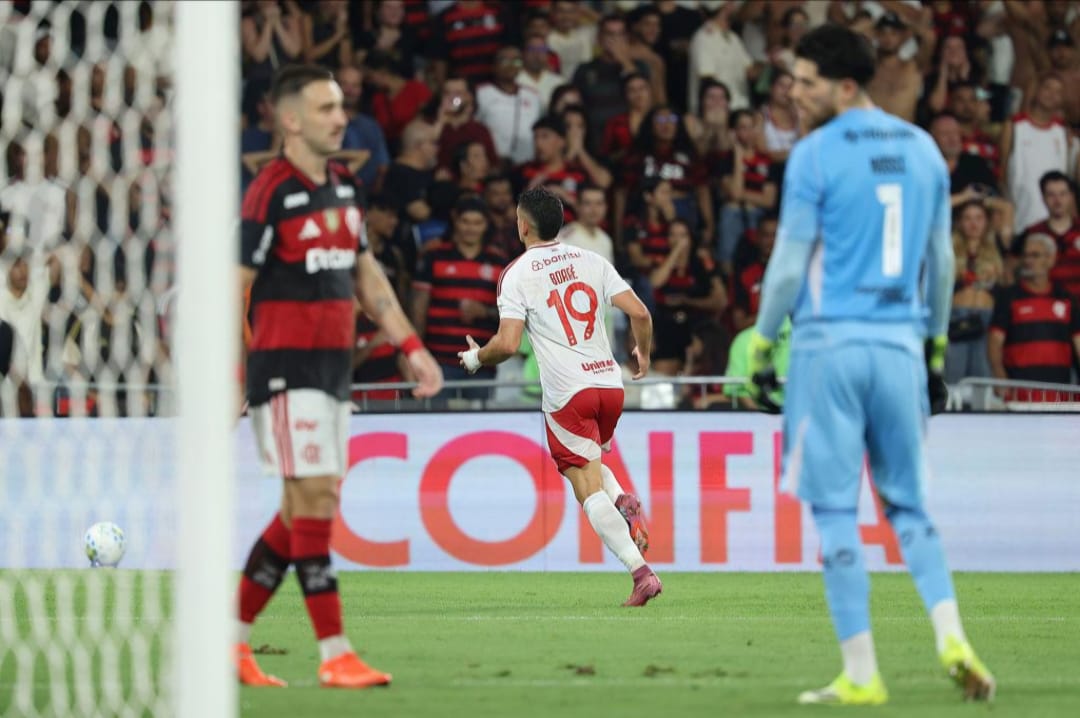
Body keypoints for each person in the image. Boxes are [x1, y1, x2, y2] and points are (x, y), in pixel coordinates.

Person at [746, 25, 995, 705]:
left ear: (845, 85)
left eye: (806, 81)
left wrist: (765, 344)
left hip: (830, 348)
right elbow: (941, 264)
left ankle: (862, 673)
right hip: (899, 350)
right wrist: (935, 348)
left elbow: (790, 262)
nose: (794, 92)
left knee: (834, 510)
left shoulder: (815, 154)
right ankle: (952, 636)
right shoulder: (922, 149)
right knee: (910, 508)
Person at [235, 64, 443, 689]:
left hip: (332, 374)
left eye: (340, 106)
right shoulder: (268, 191)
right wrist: (232, 375)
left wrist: (410, 342)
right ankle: (334, 653)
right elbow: (234, 291)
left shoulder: (346, 187)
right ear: (290, 119)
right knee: (318, 501)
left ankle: (230, 645)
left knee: (300, 512)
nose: (340, 117)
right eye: (326, 107)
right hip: (283, 371)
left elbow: (366, 275)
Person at [457, 187, 662, 607]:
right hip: (609, 386)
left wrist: (477, 357)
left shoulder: (517, 273)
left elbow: (508, 343)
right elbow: (640, 312)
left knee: (585, 489)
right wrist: (642, 350)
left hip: (568, 393)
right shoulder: (592, 260)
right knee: (591, 462)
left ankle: (641, 574)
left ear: (522, 225)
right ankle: (623, 498)